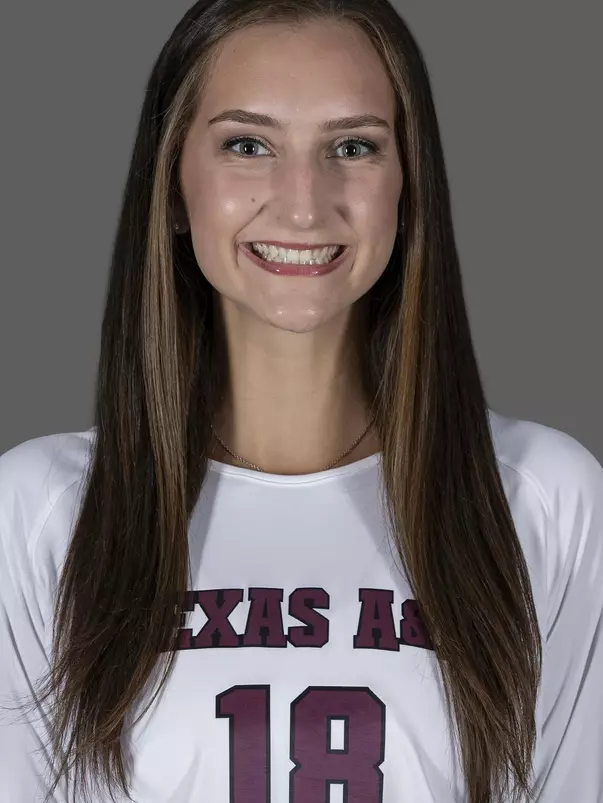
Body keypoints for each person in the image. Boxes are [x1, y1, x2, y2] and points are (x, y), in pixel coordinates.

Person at [1, 0, 602, 801]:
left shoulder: (541, 498)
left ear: (408, 186)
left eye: (352, 147)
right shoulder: (41, 510)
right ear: (174, 186)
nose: (302, 204)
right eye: (246, 146)